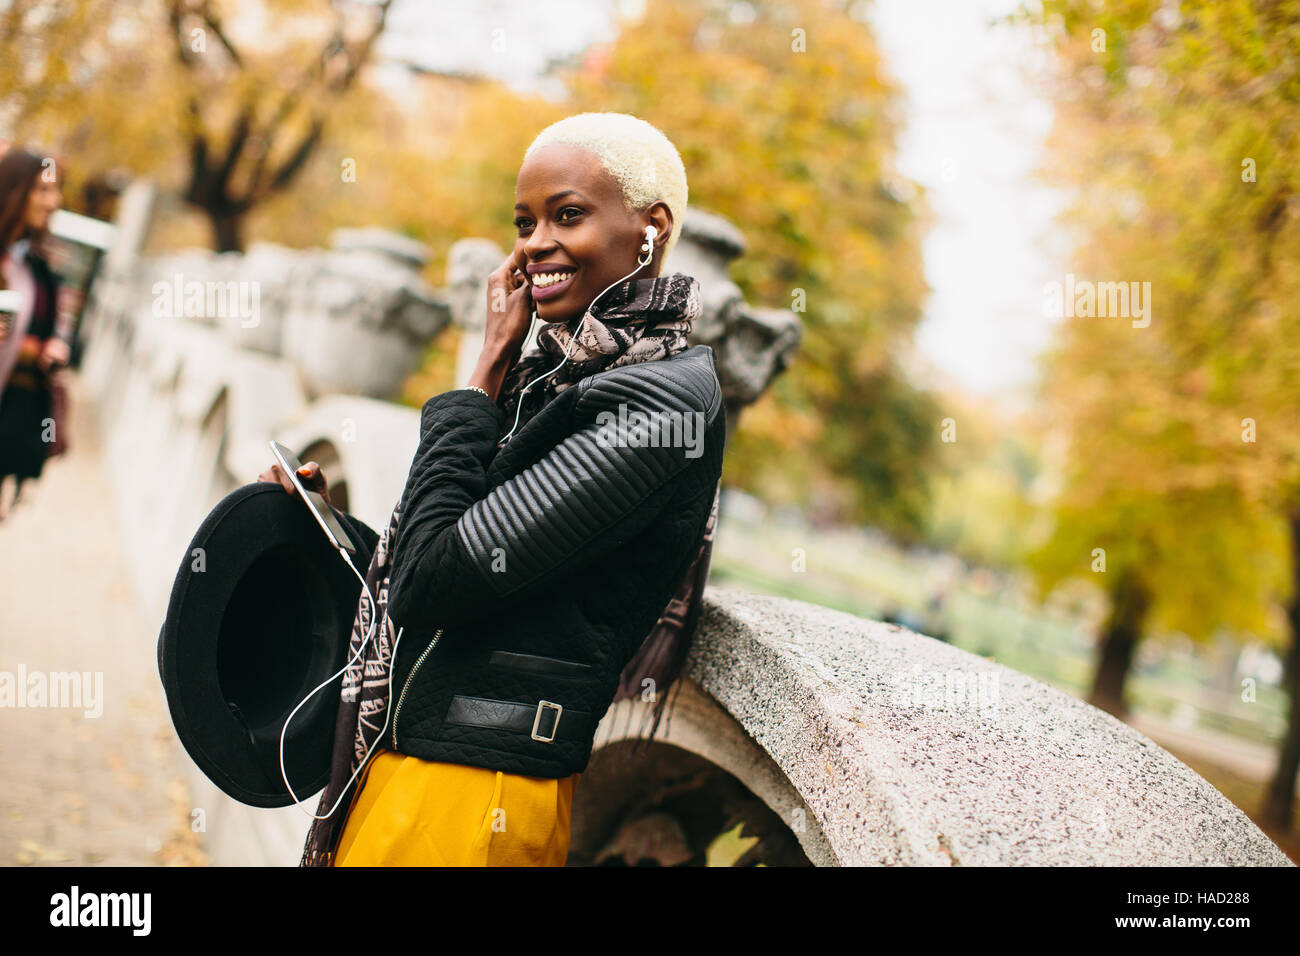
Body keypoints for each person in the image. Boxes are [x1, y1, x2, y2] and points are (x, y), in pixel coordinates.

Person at [258, 112, 725, 866]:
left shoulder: (660, 407)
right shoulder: (560, 380)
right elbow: (453, 571)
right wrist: (323, 528)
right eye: (524, 221)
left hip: (479, 800)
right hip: (419, 770)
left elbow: (438, 582)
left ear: (651, 229)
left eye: (566, 214)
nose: (534, 242)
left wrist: (478, 377)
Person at [0, 147, 71, 521]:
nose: (53, 201)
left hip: (11, 420)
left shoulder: (39, 266)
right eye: (43, 190)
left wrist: (50, 348)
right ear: (15, 189)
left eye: (55, 190)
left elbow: (46, 328)